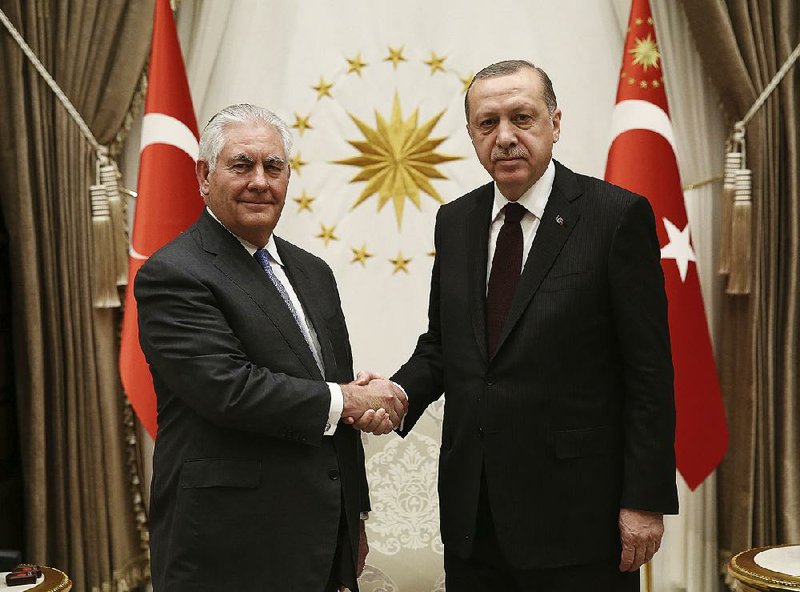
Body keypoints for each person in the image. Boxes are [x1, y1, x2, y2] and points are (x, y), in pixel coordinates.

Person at [363, 60, 679, 590]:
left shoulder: (615, 217)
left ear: (555, 123)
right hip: (473, 516)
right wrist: (396, 393)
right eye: (487, 123)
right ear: (470, 134)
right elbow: (444, 346)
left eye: (522, 118)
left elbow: (648, 372)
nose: (505, 137)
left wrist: (644, 501)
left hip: (578, 521)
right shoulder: (457, 221)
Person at [135, 103, 405, 592]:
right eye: (242, 165)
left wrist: (354, 516)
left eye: (273, 166)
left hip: (320, 540)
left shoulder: (313, 273)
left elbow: (329, 393)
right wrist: (349, 400)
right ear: (204, 175)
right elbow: (228, 389)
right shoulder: (174, 273)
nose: (260, 181)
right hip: (227, 544)